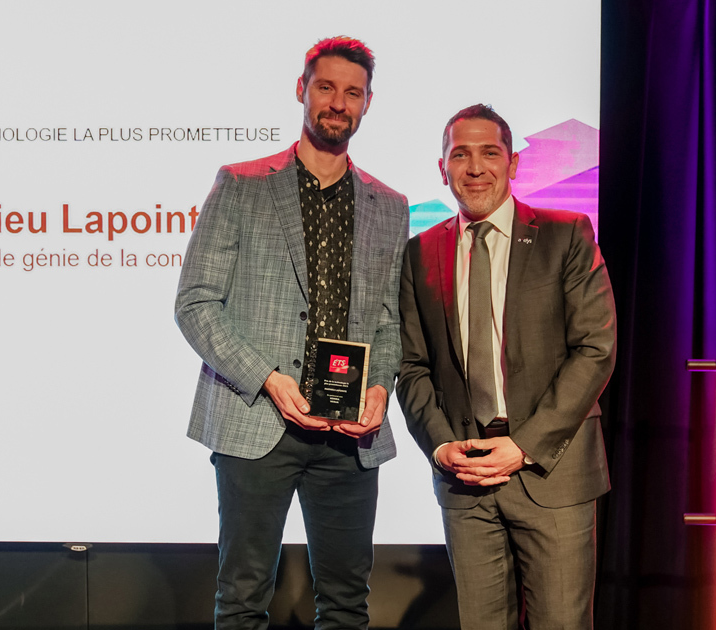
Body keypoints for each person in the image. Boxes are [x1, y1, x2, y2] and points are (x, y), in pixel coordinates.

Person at [175, 37, 408, 629]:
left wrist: (379, 387)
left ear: (367, 103)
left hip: (349, 434)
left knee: (348, 605)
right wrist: (270, 380)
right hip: (257, 423)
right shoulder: (242, 184)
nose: (338, 102)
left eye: (351, 92)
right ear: (302, 89)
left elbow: (387, 319)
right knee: (244, 600)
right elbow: (196, 304)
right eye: (326, 87)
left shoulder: (389, 204)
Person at [396, 104, 616, 629]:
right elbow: (410, 365)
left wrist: (524, 446)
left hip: (551, 472)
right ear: (442, 168)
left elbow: (595, 348)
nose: (476, 167)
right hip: (464, 475)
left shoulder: (567, 234)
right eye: (461, 154)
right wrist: (442, 445)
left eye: (490, 153)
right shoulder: (418, 252)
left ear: (513, 163)